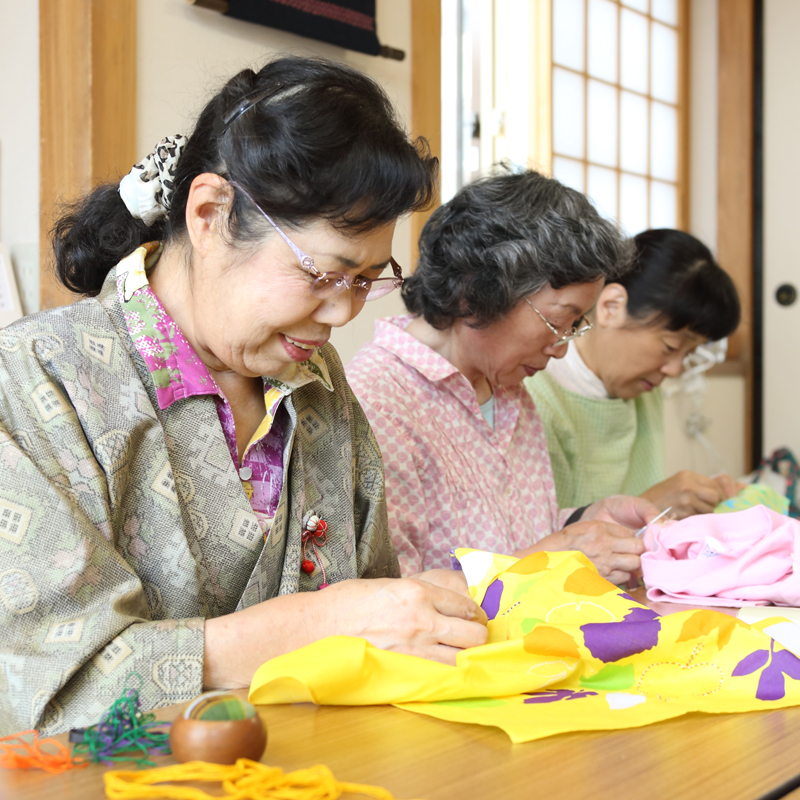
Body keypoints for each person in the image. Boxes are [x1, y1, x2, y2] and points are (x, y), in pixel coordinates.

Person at [0, 57, 490, 737]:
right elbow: (41, 689)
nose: (343, 315)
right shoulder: (31, 380)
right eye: (323, 273)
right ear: (208, 214)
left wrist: (410, 610)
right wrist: (313, 626)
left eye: (367, 280)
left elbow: (370, 619)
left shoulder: (318, 383)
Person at [347, 170, 658, 580]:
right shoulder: (378, 400)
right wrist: (553, 562)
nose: (562, 347)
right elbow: (392, 595)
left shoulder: (508, 391)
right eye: (558, 322)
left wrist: (582, 521)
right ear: (478, 293)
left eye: (575, 326)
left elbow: (512, 537)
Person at [525, 228, 741, 518]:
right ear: (612, 307)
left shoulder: (642, 388)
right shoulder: (534, 394)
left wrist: (698, 499)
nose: (674, 370)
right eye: (670, 346)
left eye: (688, 355)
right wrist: (652, 502)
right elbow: (527, 546)